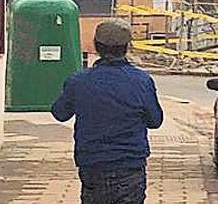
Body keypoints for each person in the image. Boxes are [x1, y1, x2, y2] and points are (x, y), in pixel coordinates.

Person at [52, 20, 164, 204]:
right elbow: (155, 120)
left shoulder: (79, 81)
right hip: (129, 164)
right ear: (127, 47)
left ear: (96, 46)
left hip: (92, 164)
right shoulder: (142, 81)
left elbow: (59, 113)